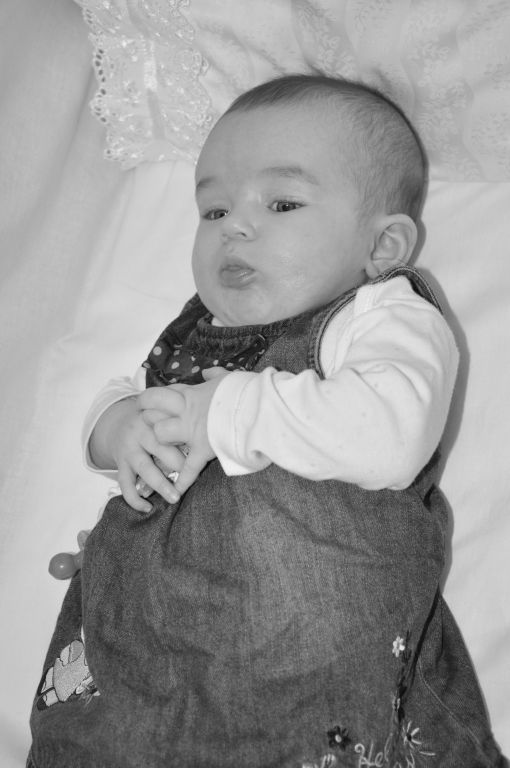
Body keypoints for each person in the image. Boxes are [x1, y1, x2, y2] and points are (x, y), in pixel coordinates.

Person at [27, 75, 505, 768]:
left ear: (383, 247)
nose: (236, 226)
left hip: (306, 638)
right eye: (214, 210)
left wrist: (226, 409)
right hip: (145, 653)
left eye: (282, 203)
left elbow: (391, 436)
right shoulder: (194, 336)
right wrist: (119, 426)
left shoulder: (379, 315)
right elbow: (119, 405)